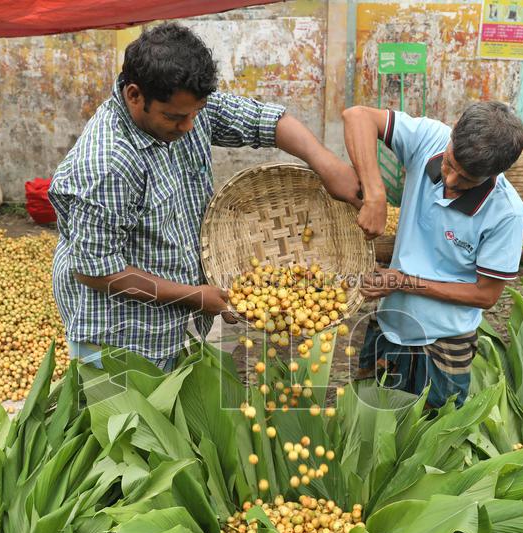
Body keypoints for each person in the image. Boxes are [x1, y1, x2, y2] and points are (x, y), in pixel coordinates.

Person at [49, 23, 359, 370]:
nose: (190, 126)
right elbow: (96, 272)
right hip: (120, 336)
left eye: (196, 112)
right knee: (124, 422)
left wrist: (326, 163)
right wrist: (195, 296)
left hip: (178, 323)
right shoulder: (107, 164)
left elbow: (262, 120)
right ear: (135, 95)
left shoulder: (185, 104)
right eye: (176, 117)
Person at [342, 101, 523, 407]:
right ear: (452, 133)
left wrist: (405, 282)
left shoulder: (506, 213)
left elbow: (485, 295)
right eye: (450, 164)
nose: (451, 182)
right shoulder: (429, 138)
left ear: (496, 174)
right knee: (371, 424)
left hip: (444, 343)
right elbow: (357, 116)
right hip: (390, 325)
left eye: (467, 180)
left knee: (433, 440)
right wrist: (376, 194)